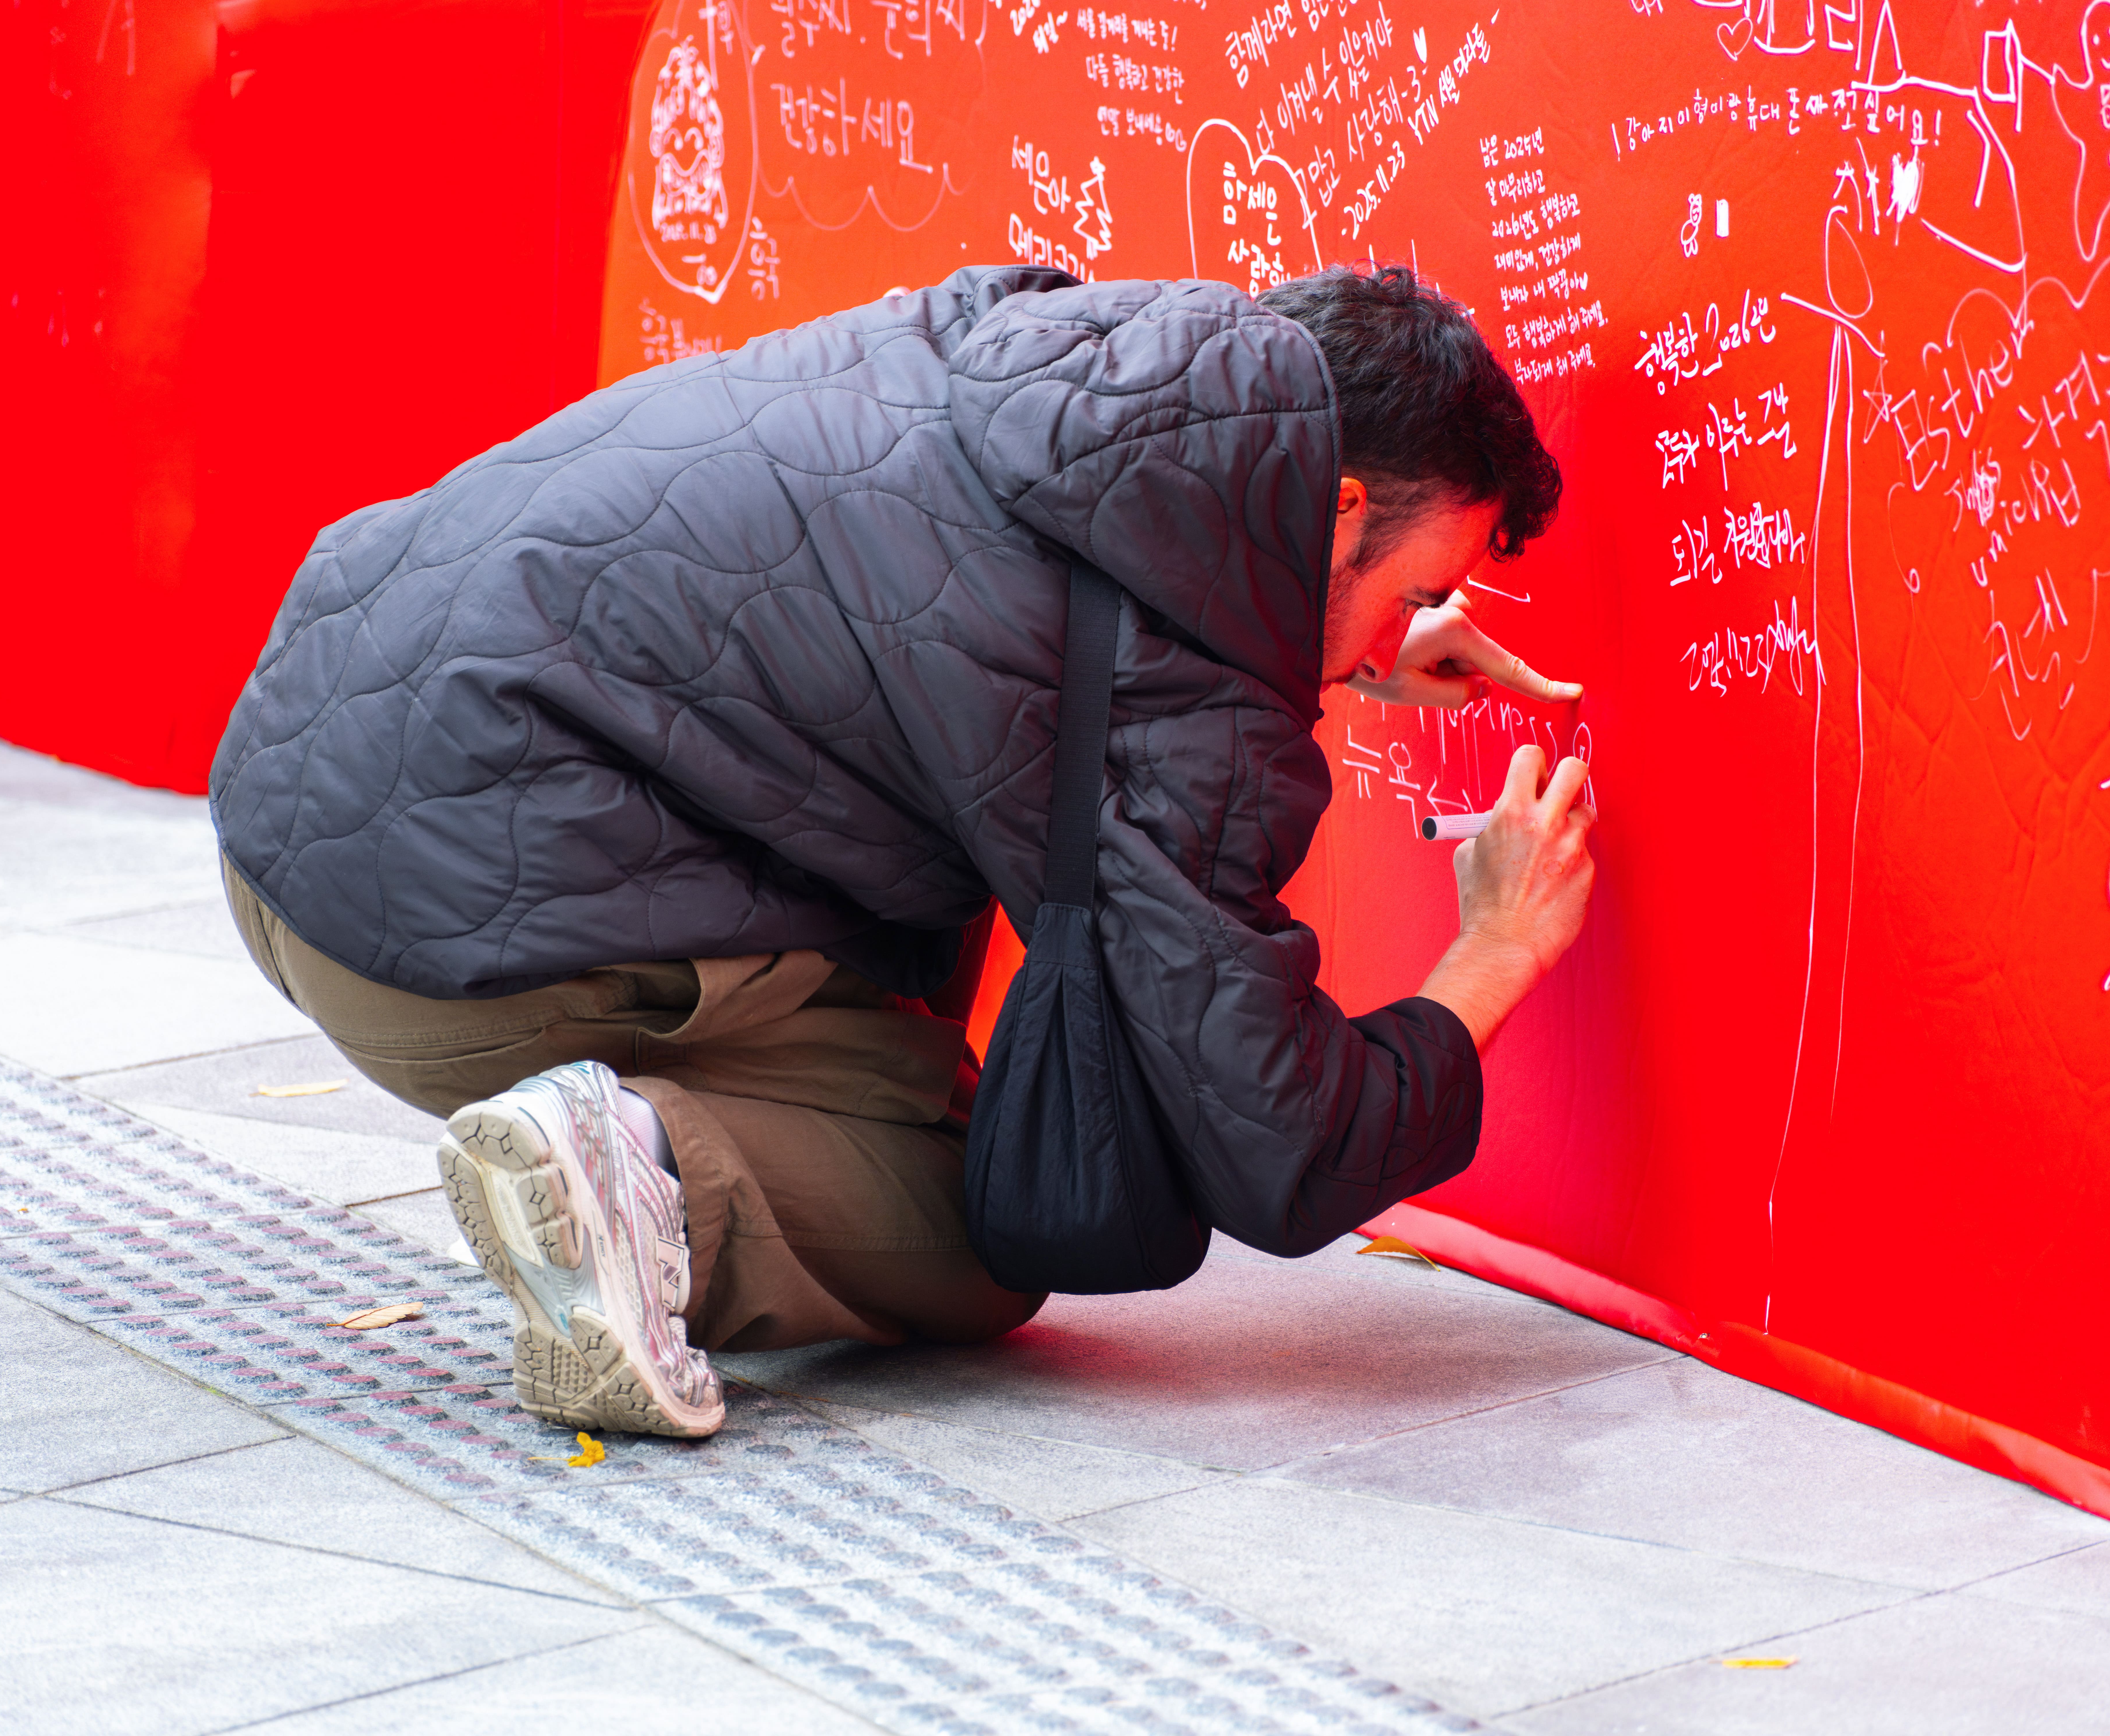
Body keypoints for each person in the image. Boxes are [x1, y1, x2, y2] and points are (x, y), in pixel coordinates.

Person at [211, 262, 1598, 1439]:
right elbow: (1282, 1150)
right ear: (1338, 505)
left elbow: (1024, 617)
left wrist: (1342, 628)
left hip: (292, 805)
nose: (1407, 630)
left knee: (910, 1038)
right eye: (1419, 591)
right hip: (433, 945)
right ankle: (639, 1164)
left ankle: (598, 1142)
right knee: (974, 1201)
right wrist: (1493, 952)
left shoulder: (995, 338)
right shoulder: (1175, 708)